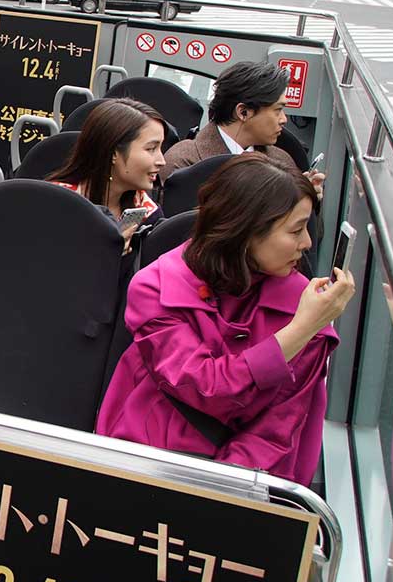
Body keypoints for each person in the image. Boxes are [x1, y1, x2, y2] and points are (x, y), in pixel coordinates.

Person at [96, 154, 354, 485]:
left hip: (244, 485)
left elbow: (275, 431)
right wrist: (299, 331)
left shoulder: (305, 308)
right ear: (246, 232)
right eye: (297, 229)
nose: (306, 244)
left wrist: (219, 495)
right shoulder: (156, 287)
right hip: (142, 462)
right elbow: (203, 386)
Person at [161, 60, 324, 198]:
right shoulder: (183, 162)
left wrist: (308, 199)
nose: (284, 119)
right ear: (243, 112)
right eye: (277, 110)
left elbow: (309, 233)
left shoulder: (282, 160)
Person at [42, 98, 166, 250]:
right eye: (151, 149)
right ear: (113, 152)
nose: (162, 161)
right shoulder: (56, 203)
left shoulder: (148, 215)